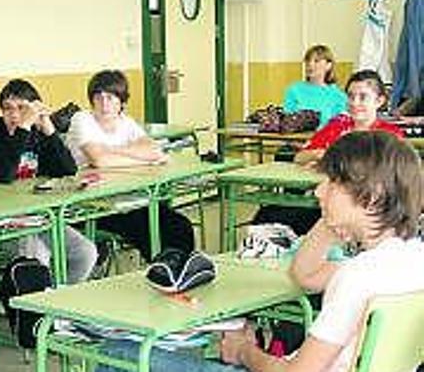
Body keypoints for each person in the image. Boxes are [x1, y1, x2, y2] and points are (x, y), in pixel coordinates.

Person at [97, 131, 424, 372]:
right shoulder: (410, 261)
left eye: (331, 184)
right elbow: (306, 276)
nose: (318, 191)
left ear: (371, 197)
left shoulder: (357, 277)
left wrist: (243, 352)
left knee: (119, 353)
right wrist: (332, 219)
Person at [64, 70, 194, 262]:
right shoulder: (82, 119)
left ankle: (180, 272)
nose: (104, 103)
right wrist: (138, 156)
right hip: (92, 204)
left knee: (179, 225)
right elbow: (100, 161)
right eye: (98, 97)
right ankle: (162, 271)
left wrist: (113, 150)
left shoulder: (126, 122)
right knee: (147, 229)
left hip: (126, 198)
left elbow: (155, 151)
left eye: (110, 97)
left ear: (122, 102)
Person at [254, 70, 404, 236]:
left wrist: (334, 162)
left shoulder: (389, 134)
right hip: (328, 200)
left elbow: (382, 172)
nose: (355, 103)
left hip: (366, 208)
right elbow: (299, 157)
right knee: (266, 215)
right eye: (351, 96)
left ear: (379, 101)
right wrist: (320, 155)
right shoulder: (337, 125)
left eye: (363, 97)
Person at [0, 79, 98, 283]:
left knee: (85, 253)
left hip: (38, 217)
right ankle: (36, 312)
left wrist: (49, 129)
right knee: (37, 255)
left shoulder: (38, 134)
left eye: (22, 109)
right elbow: (3, 176)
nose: (15, 115)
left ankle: (56, 306)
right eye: (8, 109)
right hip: (2, 221)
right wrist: (23, 127)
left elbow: (68, 169)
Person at [282, 45, 347, 129]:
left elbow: (340, 125)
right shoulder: (294, 90)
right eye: (308, 61)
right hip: (297, 140)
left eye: (316, 61)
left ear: (328, 65)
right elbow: (286, 120)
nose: (310, 64)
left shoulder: (339, 96)